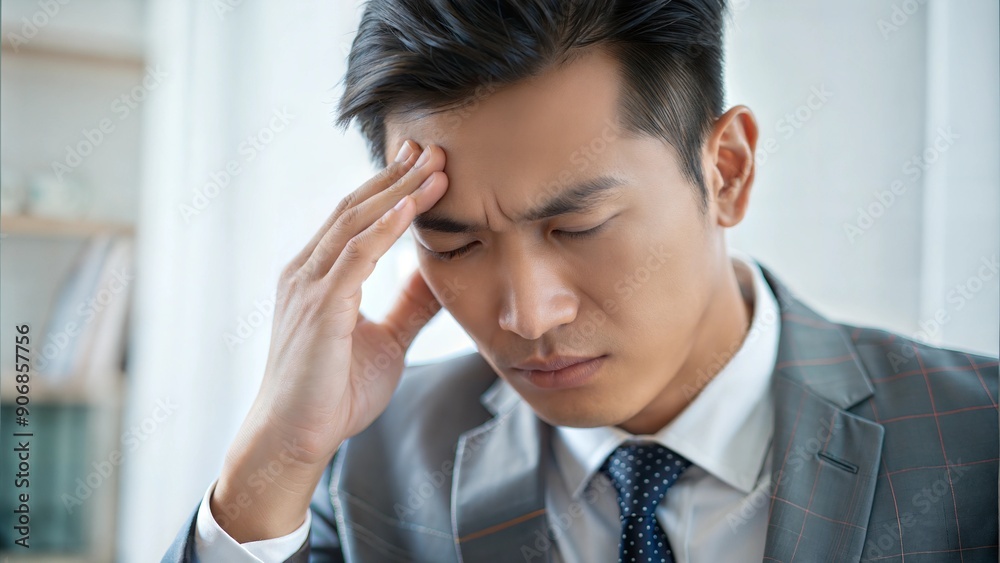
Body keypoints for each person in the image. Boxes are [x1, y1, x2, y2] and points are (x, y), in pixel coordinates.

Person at [164, 1, 999, 561]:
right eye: (453, 243)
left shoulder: (977, 441)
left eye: (578, 228)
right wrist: (273, 462)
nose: (527, 314)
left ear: (728, 171)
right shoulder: (373, 459)